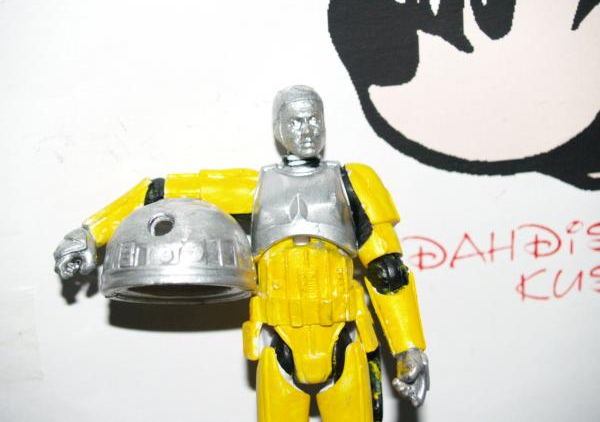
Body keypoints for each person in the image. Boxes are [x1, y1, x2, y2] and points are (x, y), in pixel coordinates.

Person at [54, 85, 429, 422]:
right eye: (295, 121)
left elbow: (388, 273)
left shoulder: (352, 183)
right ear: (279, 129)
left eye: (314, 119)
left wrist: (408, 348)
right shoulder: (253, 188)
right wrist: (91, 233)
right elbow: (159, 191)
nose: (307, 130)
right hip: (279, 342)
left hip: (345, 338)